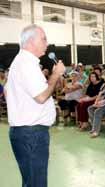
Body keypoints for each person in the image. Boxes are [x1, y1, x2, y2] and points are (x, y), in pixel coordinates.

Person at [5, 24, 65, 187]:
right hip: (31, 134)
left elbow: (40, 90)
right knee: (36, 183)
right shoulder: (26, 63)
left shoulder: (24, 62)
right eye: (43, 39)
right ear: (31, 41)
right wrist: (55, 74)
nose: (47, 43)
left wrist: (54, 79)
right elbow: (41, 96)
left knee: (32, 182)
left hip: (28, 133)